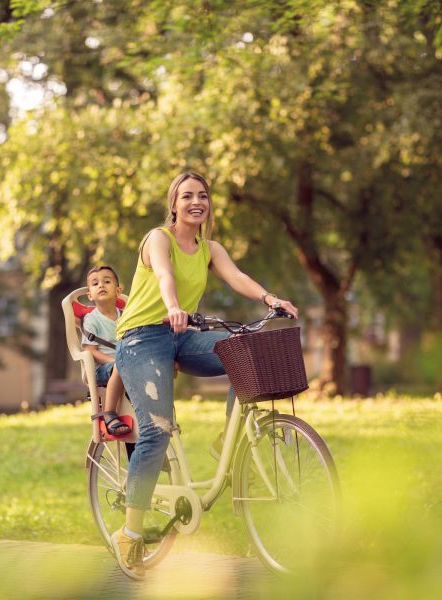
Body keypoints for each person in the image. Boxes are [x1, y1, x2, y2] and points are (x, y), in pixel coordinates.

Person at [110, 172, 298, 579]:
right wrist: (174, 306)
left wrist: (270, 298)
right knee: (156, 432)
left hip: (181, 335)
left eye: (203, 196)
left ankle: (224, 440)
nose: (197, 202)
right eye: (187, 196)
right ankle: (130, 532)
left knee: (245, 354)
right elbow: (164, 275)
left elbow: (237, 277)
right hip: (142, 339)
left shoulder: (210, 247)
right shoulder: (158, 238)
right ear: (174, 204)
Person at [81, 265, 131, 436]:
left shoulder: (127, 316)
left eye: (107, 281)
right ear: (90, 295)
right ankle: (109, 413)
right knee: (121, 365)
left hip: (127, 364)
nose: (101, 285)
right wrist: (115, 361)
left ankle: (142, 413)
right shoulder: (92, 319)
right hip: (103, 369)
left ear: (118, 290)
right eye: (95, 284)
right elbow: (91, 351)